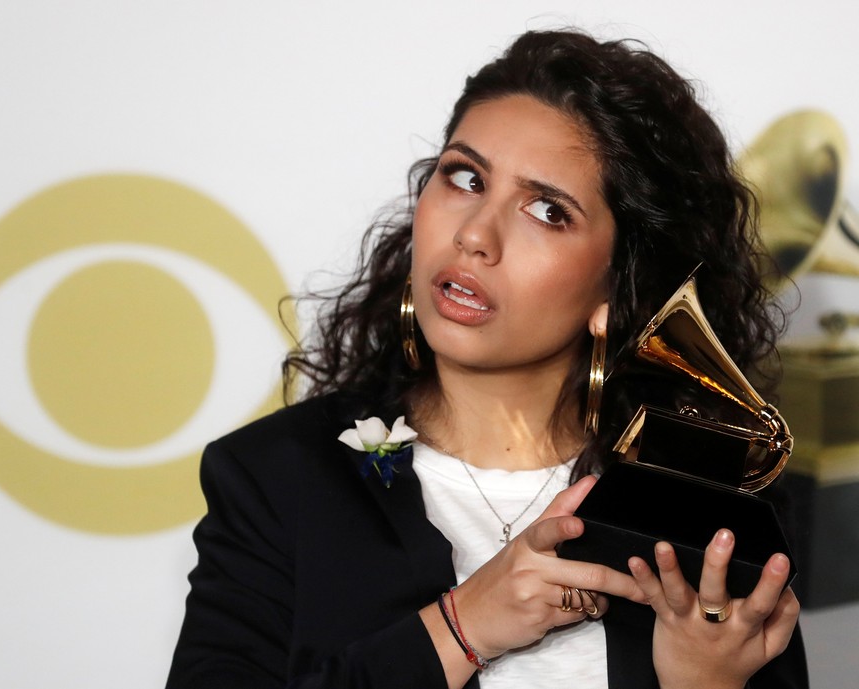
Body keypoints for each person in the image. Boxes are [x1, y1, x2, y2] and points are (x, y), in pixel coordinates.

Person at [165, 28, 808, 689]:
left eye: (546, 210)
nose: (475, 234)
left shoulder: (704, 508)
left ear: (618, 290)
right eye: (464, 177)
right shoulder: (276, 477)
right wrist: (462, 624)